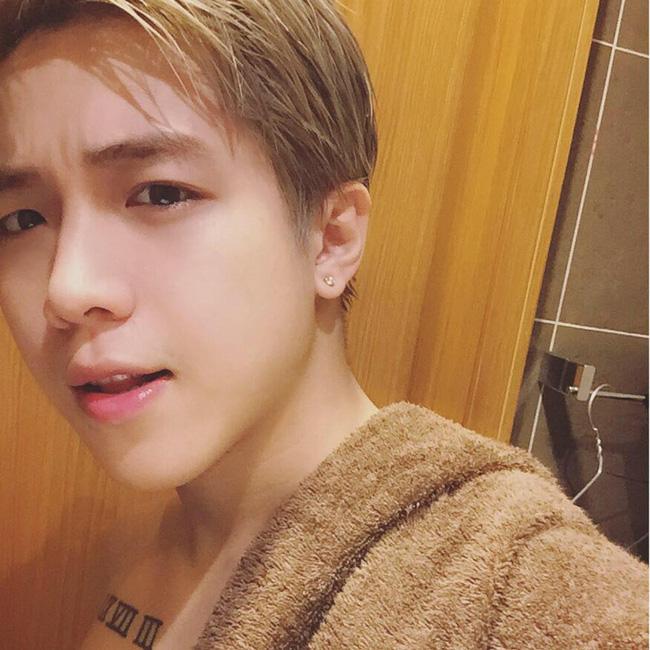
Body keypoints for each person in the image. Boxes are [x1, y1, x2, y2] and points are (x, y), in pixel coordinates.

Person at [0, 1, 646, 649]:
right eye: (23, 220)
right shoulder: (149, 542)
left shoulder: (519, 584)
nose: (67, 289)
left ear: (331, 239)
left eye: (161, 194)